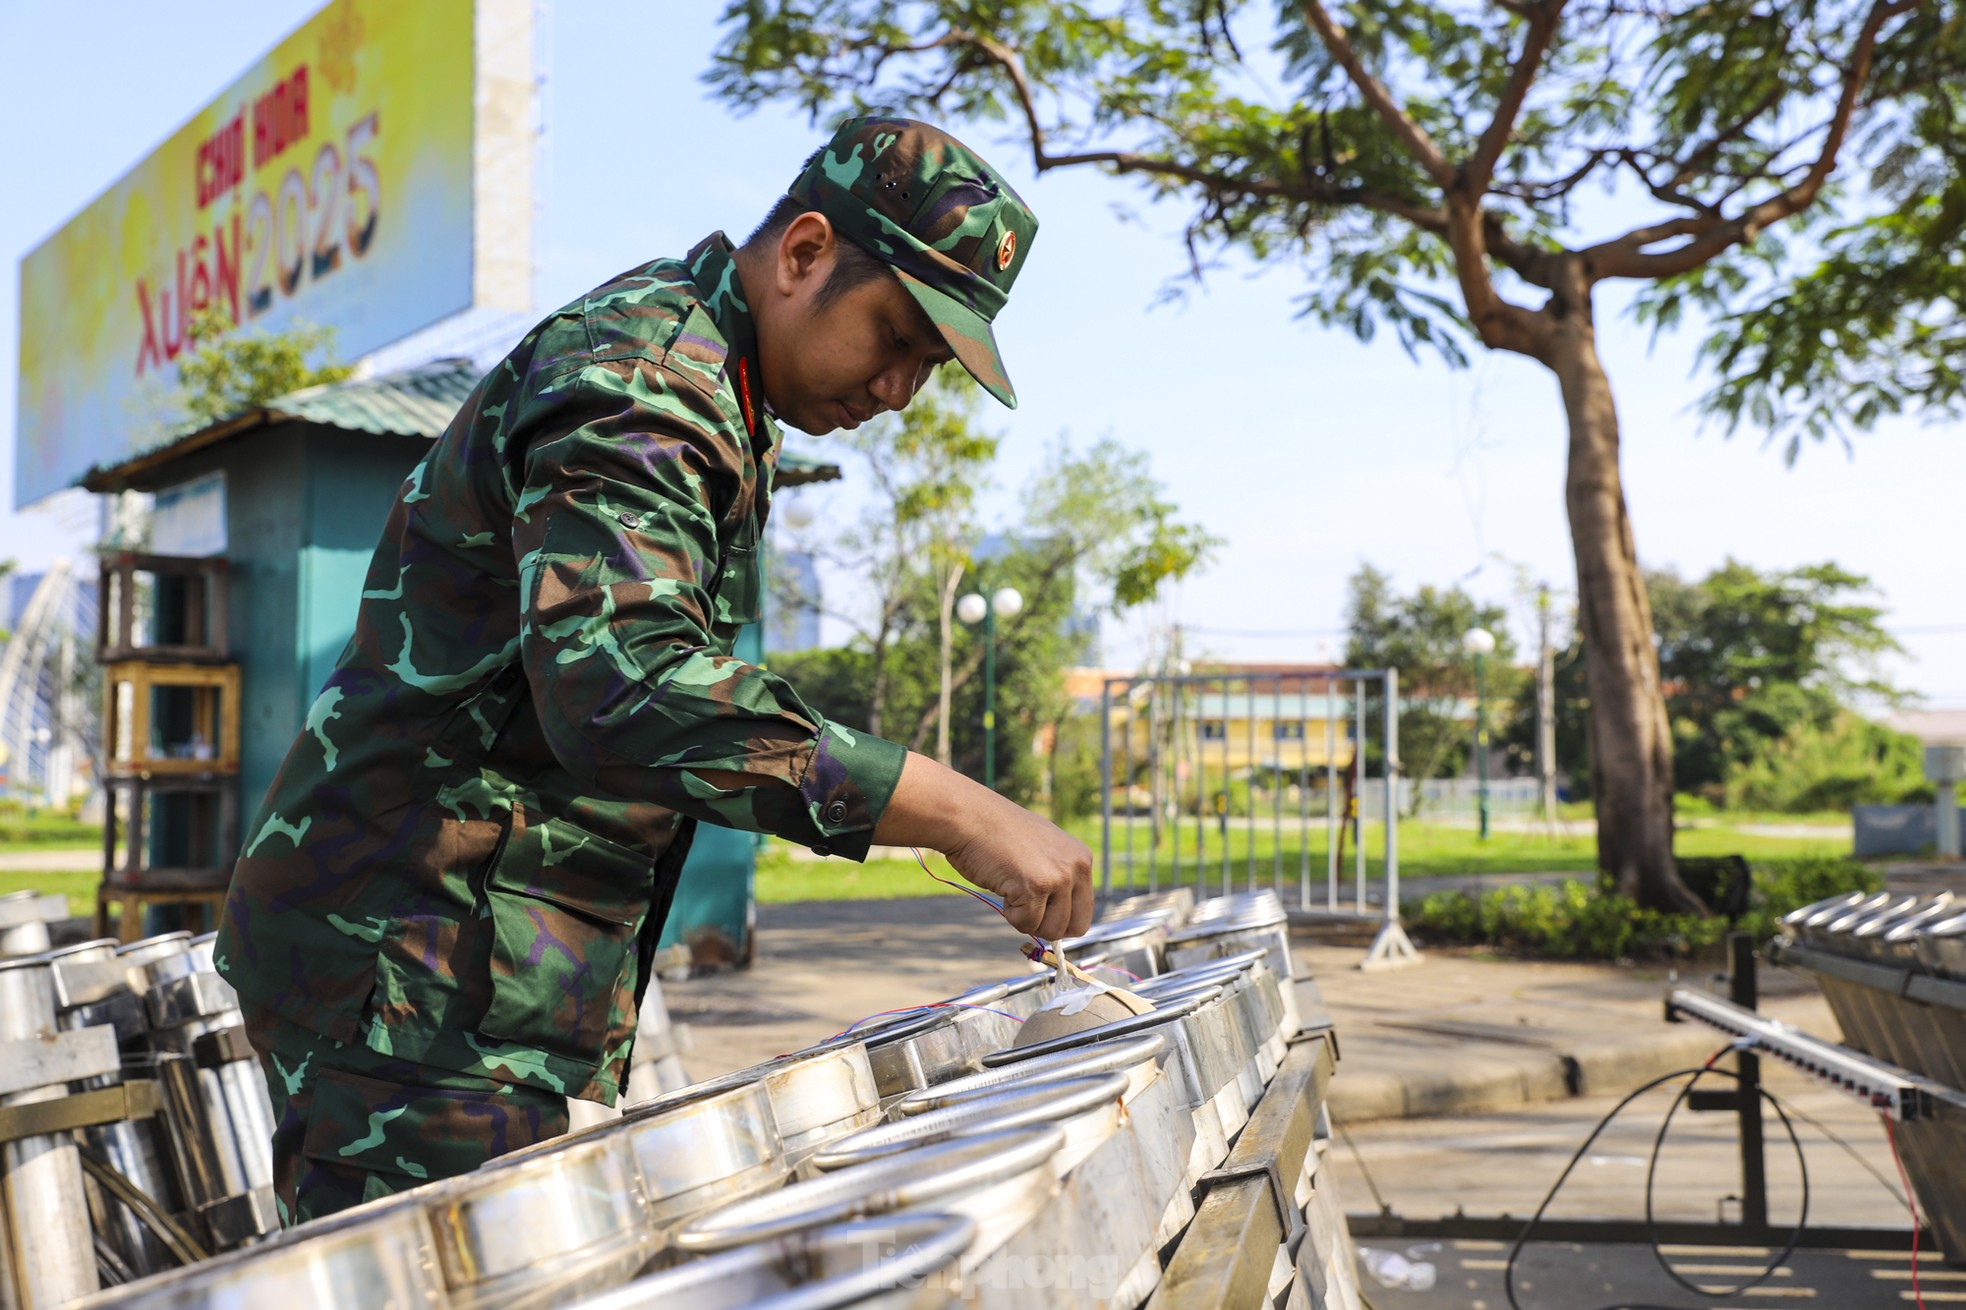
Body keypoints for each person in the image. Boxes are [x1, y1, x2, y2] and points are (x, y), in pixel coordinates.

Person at [213, 115, 1093, 1225]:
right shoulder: (643, 382)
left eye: (929, 366)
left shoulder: (718, 389)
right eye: (897, 335)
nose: (899, 391)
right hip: (409, 974)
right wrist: (952, 806)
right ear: (805, 252)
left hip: (475, 970)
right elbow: (623, 686)